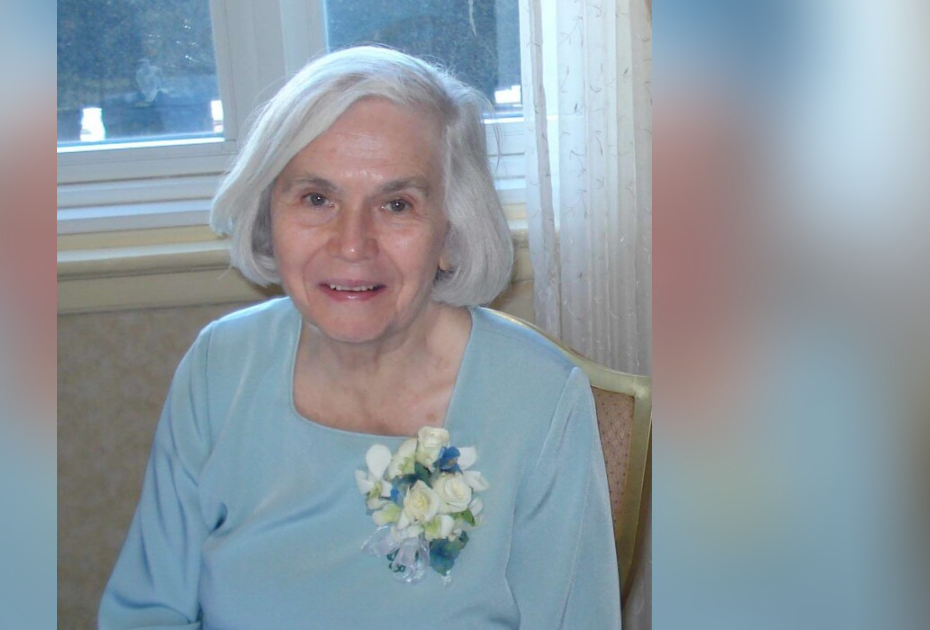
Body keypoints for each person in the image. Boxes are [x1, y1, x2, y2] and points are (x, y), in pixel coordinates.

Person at [99, 46, 619, 629]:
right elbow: (146, 612)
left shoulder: (536, 397)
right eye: (317, 199)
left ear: (451, 230)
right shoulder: (221, 367)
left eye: (397, 204)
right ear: (269, 215)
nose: (352, 245)